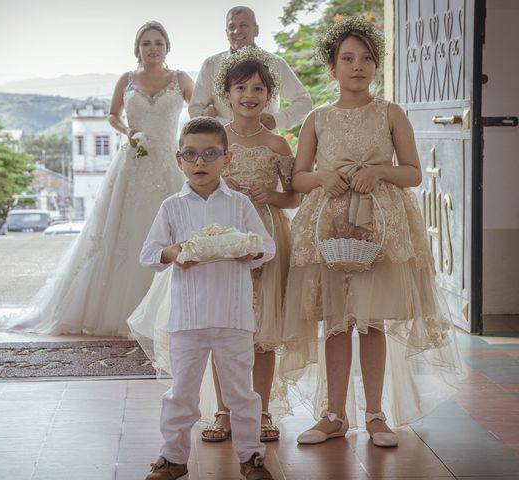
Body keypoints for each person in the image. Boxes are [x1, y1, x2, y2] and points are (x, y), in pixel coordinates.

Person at [279, 17, 462, 447]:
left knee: (372, 322)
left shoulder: (390, 113)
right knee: (336, 323)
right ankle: (333, 415)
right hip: (329, 232)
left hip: (379, 232)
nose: (356, 66)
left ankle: (377, 415)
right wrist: (324, 179)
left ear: (376, 65)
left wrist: (379, 171)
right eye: (347, 58)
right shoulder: (318, 119)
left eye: (365, 58)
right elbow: (297, 178)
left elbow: (413, 173)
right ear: (332, 67)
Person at [0, 21, 194, 336]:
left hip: (168, 163)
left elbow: (198, 111)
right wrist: (126, 131)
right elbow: (113, 114)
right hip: (133, 162)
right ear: (137, 49)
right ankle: (119, 310)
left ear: (167, 47)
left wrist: (189, 144)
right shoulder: (127, 80)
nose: (153, 48)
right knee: (126, 230)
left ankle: (171, 310)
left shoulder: (180, 79)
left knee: (170, 227)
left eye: (158, 42)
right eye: (146, 43)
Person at [142, 117, 275, 480]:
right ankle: (173, 458)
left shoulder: (239, 204)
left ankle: (251, 457)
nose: (200, 162)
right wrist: (174, 252)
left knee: (240, 394)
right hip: (187, 318)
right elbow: (149, 254)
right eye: (191, 154)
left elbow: (266, 246)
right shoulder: (172, 206)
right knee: (181, 393)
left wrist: (250, 251)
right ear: (178, 159)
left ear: (226, 159)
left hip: (233, 317)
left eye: (210, 154)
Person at [197, 47, 300, 444]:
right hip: (224, 240)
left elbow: (293, 196)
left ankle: (262, 411)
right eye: (241, 88)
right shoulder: (215, 139)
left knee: (262, 332)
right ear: (227, 94)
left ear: (270, 95)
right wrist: (222, 188)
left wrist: (269, 196)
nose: (249, 95)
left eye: (258, 88)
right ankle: (224, 411)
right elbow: (198, 181)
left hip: (268, 237)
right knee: (225, 327)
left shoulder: (278, 145)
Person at [188, 6, 312, 131]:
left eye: (244, 25)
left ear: (256, 30)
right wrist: (213, 121)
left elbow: (304, 102)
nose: (237, 31)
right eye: (232, 27)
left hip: (266, 143)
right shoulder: (211, 65)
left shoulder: (276, 63)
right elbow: (195, 109)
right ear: (226, 33)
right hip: (224, 144)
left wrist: (276, 120)